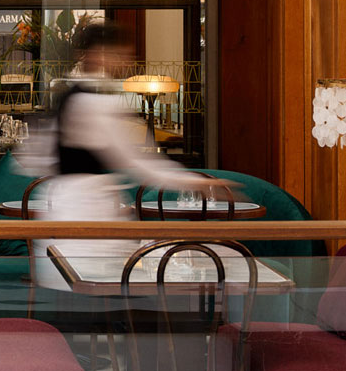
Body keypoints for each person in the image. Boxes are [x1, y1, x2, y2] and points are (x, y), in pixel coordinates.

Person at [23, 20, 235, 286]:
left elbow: (36, 156)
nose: (126, 61)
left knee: (84, 291)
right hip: (85, 214)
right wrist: (194, 183)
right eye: (120, 54)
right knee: (102, 290)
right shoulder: (95, 102)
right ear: (100, 54)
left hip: (64, 207)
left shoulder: (69, 94)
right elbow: (136, 161)